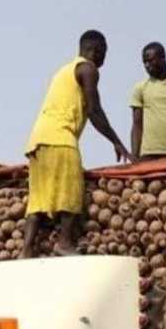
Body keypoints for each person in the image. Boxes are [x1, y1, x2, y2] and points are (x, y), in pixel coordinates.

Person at [21, 29, 134, 257]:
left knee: (38, 199)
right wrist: (117, 142)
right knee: (71, 190)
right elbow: (94, 110)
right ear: (96, 50)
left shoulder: (63, 71)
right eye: (104, 52)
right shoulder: (88, 69)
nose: (105, 58)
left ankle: (27, 249)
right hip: (61, 137)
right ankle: (64, 242)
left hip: (37, 140)